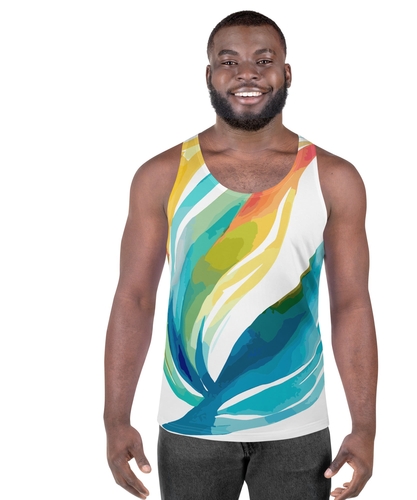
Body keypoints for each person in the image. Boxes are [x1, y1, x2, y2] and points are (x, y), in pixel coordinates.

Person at [104, 10, 377, 500]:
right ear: (209, 75)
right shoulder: (162, 176)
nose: (247, 73)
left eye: (263, 60)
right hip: (190, 424)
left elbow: (352, 305)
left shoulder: (333, 178)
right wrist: (115, 417)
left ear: (287, 72)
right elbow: (134, 299)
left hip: (298, 426)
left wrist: (365, 427)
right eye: (229, 61)